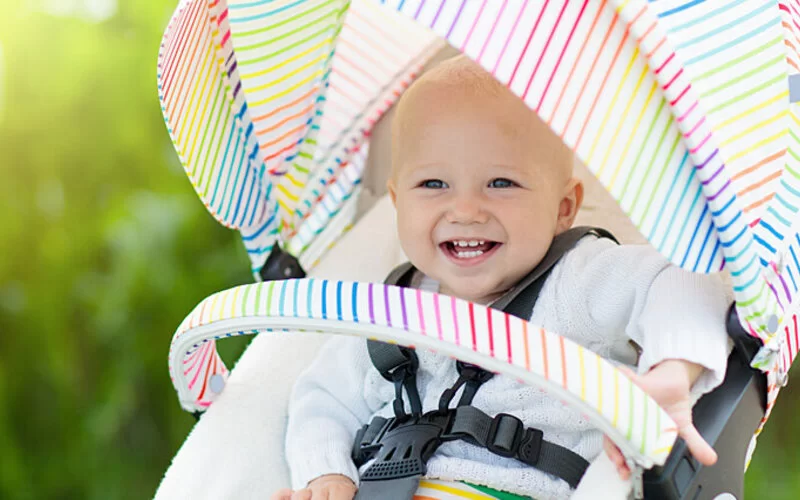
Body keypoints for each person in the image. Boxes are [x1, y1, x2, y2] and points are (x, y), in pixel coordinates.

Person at [271, 55, 731, 500]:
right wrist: (327, 473)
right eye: (433, 185)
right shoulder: (386, 314)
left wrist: (672, 370)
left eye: (501, 183)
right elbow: (322, 399)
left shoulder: (576, 282)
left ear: (563, 208)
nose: (466, 211)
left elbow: (687, 280)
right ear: (398, 201)